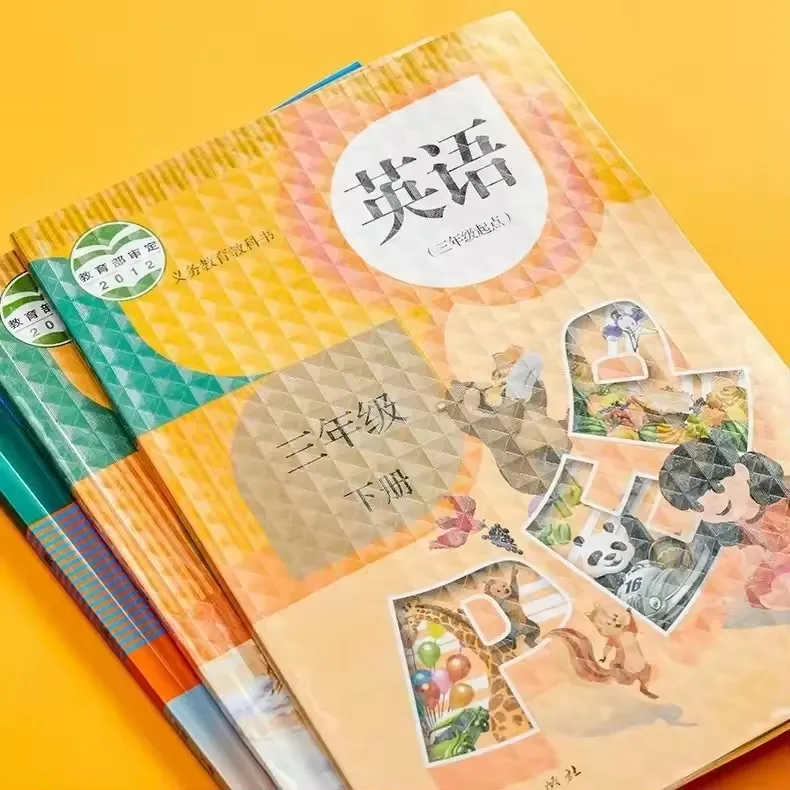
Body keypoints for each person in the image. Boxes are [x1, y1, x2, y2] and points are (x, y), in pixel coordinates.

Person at [658, 428, 790, 609]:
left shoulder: (781, 505)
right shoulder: (736, 532)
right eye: (698, 506)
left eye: (717, 487)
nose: (713, 504)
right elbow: (757, 590)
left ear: (740, 471)